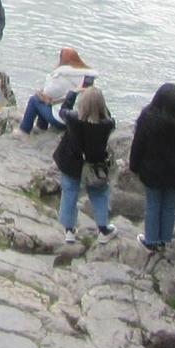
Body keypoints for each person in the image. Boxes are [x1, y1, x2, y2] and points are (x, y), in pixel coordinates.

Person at [128, 83, 175, 251]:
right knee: (169, 206)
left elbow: (138, 143)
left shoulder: (147, 116)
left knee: (153, 204)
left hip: (152, 170)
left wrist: (134, 165)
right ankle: (165, 240)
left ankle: (151, 240)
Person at [55, 85, 116, 242]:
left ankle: (69, 231)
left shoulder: (73, 119)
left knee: (69, 193)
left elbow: (62, 110)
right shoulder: (107, 124)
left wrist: (73, 92)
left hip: (72, 163)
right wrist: (100, 106)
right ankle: (103, 230)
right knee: (99, 195)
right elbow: (108, 115)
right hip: (95, 166)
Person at [18, 46, 96, 134]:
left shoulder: (62, 75)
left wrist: (41, 93)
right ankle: (41, 127)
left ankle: (24, 130)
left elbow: (47, 92)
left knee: (34, 100)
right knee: (45, 101)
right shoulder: (87, 77)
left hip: (64, 119)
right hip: (80, 118)